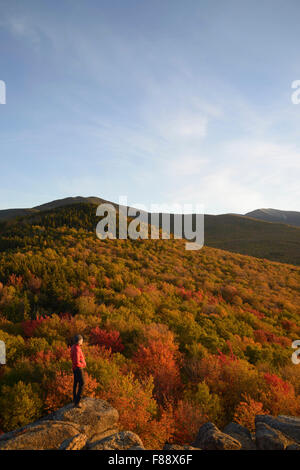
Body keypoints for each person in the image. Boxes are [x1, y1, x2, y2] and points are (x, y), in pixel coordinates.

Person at [70, 334, 86, 408]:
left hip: (74, 368)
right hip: (78, 368)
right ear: (79, 341)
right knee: (82, 383)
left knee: (75, 383)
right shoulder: (76, 348)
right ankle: (78, 401)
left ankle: (74, 400)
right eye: (81, 340)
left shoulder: (73, 347)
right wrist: (83, 364)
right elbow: (76, 362)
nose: (82, 341)